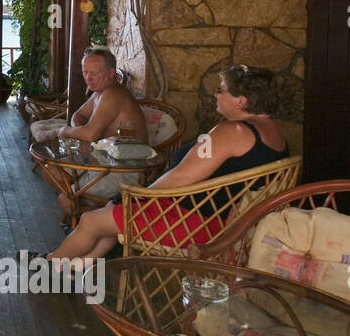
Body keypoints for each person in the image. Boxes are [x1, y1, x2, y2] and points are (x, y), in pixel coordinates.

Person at [43, 64, 290, 264]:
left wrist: (139, 195)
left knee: (91, 220)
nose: (216, 94)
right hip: (221, 222)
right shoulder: (275, 135)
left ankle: (51, 264)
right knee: (112, 207)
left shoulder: (232, 131)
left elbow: (180, 179)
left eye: (221, 90)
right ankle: (81, 264)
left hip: (192, 224)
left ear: (241, 101)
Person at [40, 47, 148, 214]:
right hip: (100, 162)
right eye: (85, 72)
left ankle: (84, 209)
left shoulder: (113, 93)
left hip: (122, 171)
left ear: (111, 73)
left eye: (94, 73)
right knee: (50, 170)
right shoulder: (99, 93)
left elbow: (91, 134)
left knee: (65, 198)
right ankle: (85, 203)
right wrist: (81, 132)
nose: (88, 77)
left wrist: (67, 131)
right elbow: (79, 115)